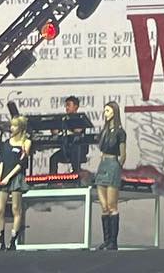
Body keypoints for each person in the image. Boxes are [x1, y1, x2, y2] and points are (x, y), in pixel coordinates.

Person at [0, 112, 30, 250]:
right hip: (4, 177)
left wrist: (8, 177)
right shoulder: (6, 143)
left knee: (16, 208)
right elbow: (2, 161)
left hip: (15, 177)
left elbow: (21, 163)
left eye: (15, 126)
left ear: (21, 127)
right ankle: (1, 241)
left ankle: (13, 241)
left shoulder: (26, 142)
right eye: (11, 126)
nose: (12, 128)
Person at [94, 101, 126, 250]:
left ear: (114, 112)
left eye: (107, 110)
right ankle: (106, 240)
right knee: (104, 206)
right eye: (104, 110)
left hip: (113, 164)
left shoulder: (120, 132)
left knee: (112, 205)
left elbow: (123, 154)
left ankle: (113, 241)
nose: (105, 113)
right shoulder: (104, 131)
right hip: (103, 164)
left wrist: (117, 167)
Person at [49, 96, 93, 179]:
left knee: (75, 151)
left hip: (79, 150)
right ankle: (52, 180)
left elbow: (78, 130)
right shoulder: (64, 119)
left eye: (69, 105)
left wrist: (66, 126)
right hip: (67, 149)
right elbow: (55, 132)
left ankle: (76, 176)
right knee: (53, 158)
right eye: (66, 105)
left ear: (75, 106)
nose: (67, 107)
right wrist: (54, 125)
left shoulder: (80, 118)